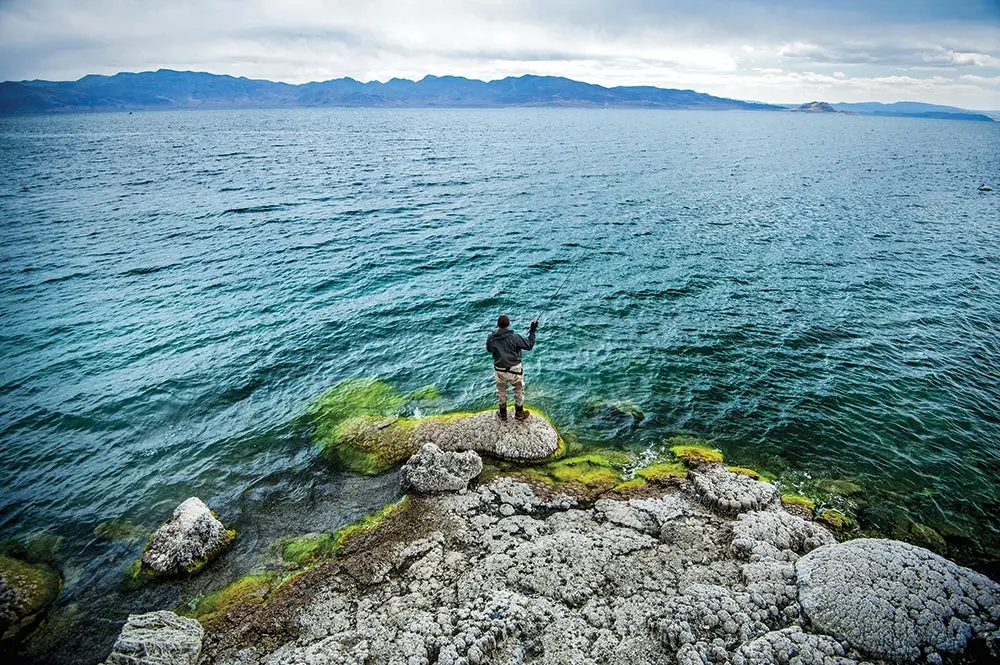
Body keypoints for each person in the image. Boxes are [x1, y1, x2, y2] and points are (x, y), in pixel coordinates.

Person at [486, 314, 538, 421]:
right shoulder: (514, 337)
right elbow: (529, 345)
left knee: (501, 390)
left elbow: (489, 349)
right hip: (515, 370)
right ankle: (519, 413)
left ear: (498, 324)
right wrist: (532, 331)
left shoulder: (491, 338)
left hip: (499, 369)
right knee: (518, 389)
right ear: (508, 324)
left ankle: (502, 413)